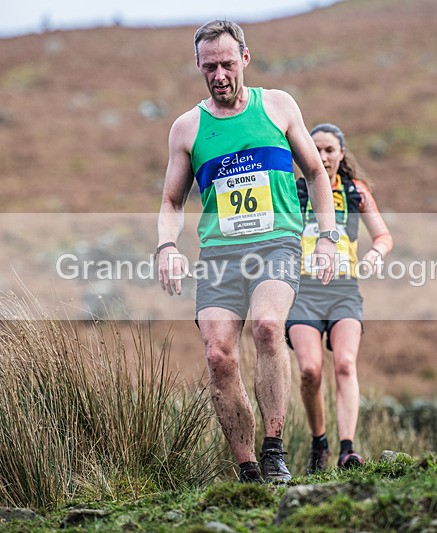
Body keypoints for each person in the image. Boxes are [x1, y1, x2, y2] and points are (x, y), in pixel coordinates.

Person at [156, 20, 338, 484]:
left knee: (268, 325)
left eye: (228, 64)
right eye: (209, 67)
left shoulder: (277, 106)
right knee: (219, 355)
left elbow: (316, 174)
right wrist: (167, 245)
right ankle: (248, 468)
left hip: (275, 241)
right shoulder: (186, 128)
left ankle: (274, 449)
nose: (219, 75)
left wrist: (327, 236)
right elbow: (172, 201)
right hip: (219, 254)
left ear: (246, 60)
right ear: (198, 66)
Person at [286, 123, 393, 473]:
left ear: (341, 154)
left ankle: (348, 449)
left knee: (345, 364)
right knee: (310, 371)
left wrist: (376, 253)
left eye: (330, 149)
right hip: (302, 291)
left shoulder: (355, 191)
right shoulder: (294, 190)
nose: (323, 156)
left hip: (345, 290)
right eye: (316, 149)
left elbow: (383, 235)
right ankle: (320, 443)